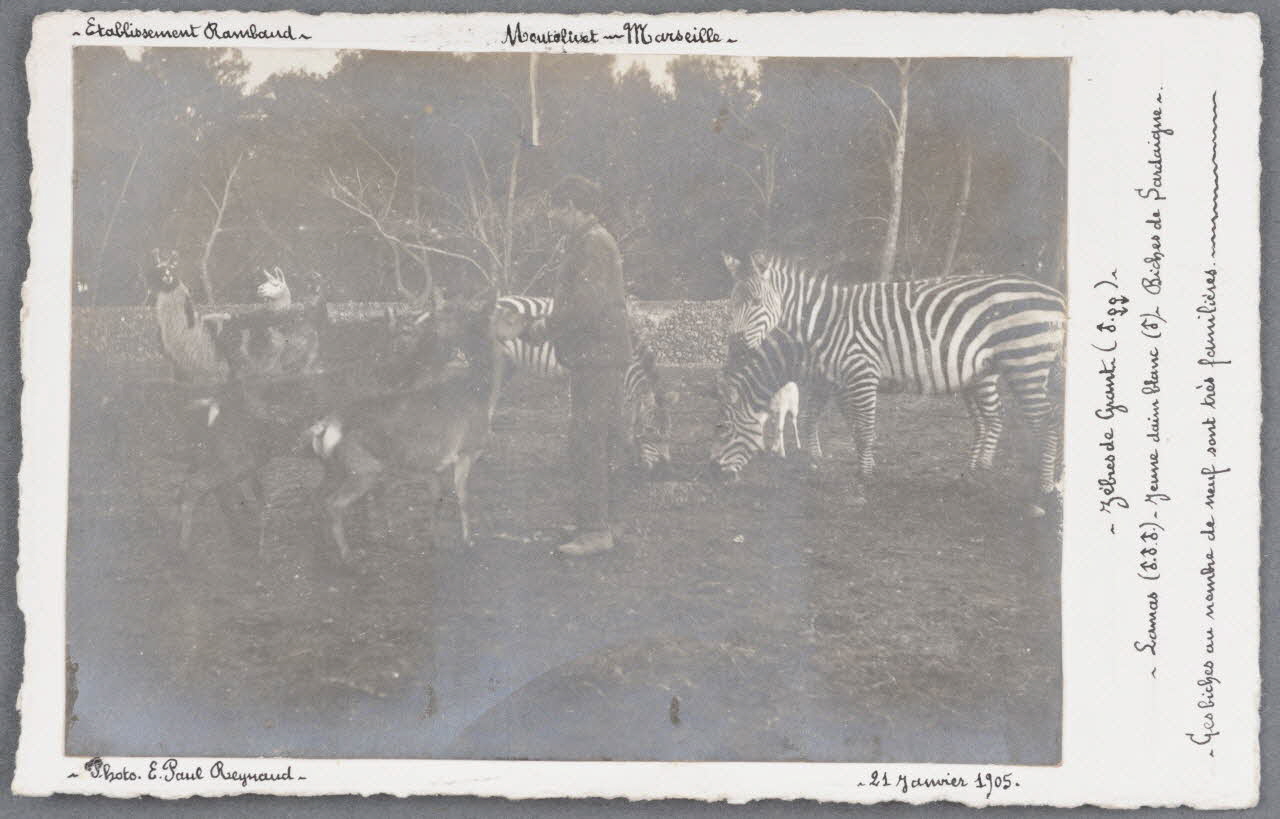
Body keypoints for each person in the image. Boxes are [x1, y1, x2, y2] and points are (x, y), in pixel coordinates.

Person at [527, 175, 632, 556]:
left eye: (555, 208)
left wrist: (545, 326)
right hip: (604, 355)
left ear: (572, 206)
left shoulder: (591, 244)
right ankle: (609, 522)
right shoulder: (593, 240)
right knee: (609, 438)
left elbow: (586, 305)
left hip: (598, 357)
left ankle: (594, 531)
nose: (551, 216)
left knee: (589, 440)